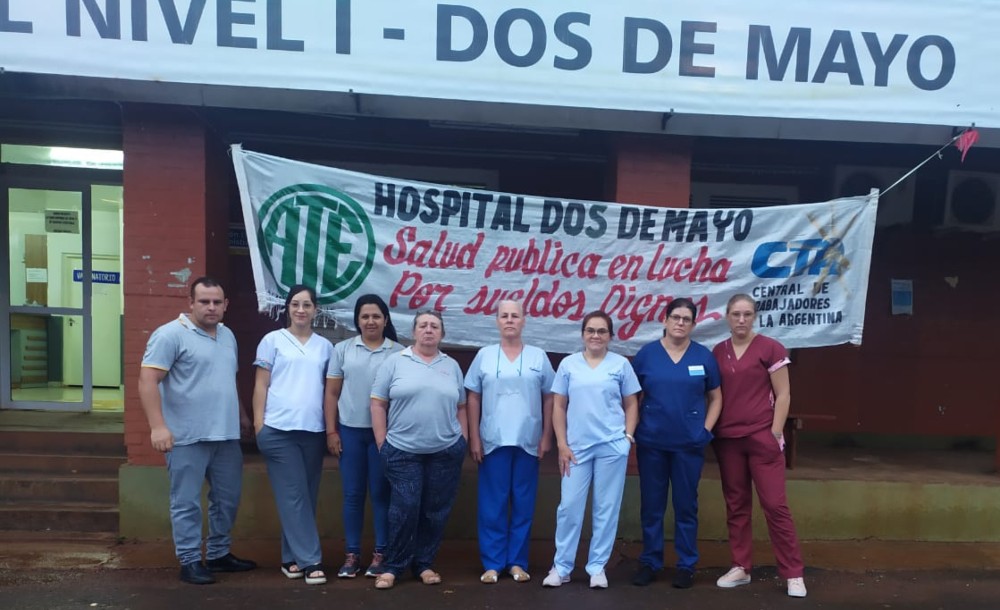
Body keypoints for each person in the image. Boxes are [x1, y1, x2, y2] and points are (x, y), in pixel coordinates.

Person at [138, 276, 257, 585]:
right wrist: (157, 427)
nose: (211, 307)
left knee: (227, 500)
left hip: (226, 436)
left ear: (226, 305)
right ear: (190, 303)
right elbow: (147, 381)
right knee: (186, 502)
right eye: (204, 301)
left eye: (217, 302)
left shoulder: (228, 335)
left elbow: (228, 379)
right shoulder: (170, 335)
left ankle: (218, 554)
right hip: (185, 436)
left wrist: (243, 416)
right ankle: (190, 560)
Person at [711, 294, 807, 598]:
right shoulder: (718, 351)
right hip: (729, 440)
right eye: (736, 314)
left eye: (747, 314)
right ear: (727, 317)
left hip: (762, 438)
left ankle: (793, 573)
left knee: (775, 506)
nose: (741, 319)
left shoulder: (770, 348)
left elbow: (784, 394)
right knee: (736, 505)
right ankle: (741, 566)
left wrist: (775, 432)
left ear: (755, 317)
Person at [370, 310, 468, 590]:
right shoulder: (395, 362)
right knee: (405, 507)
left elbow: (461, 406)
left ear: (442, 334)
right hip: (402, 450)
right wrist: (382, 442)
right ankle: (393, 566)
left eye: (434, 326)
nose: (428, 330)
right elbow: (377, 403)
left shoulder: (451, 366)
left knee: (435, 510)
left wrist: (462, 439)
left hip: (445, 450)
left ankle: (424, 564)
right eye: (423, 325)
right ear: (413, 332)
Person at [542, 311, 641, 590]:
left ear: (610, 336)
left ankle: (597, 567)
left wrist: (627, 437)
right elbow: (559, 405)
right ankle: (562, 567)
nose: (596, 336)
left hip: (612, 446)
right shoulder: (568, 364)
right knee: (569, 507)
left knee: (606, 509)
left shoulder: (620, 365)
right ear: (583, 334)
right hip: (576, 449)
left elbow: (631, 403)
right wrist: (562, 444)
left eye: (601, 331)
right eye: (590, 331)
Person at [630, 298, 722, 589]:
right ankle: (650, 562)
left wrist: (705, 431)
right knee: (652, 506)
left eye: (686, 319)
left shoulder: (703, 356)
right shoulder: (647, 355)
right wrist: (632, 430)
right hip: (652, 443)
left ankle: (686, 565)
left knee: (686, 506)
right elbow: (631, 397)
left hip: (688, 445)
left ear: (693, 324)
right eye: (676, 317)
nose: (680, 323)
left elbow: (716, 397)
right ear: (665, 320)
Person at [465, 300, 555, 585]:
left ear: (524, 321)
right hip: (493, 440)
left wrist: (546, 435)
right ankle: (492, 564)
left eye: (515, 315)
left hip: (528, 440)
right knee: (492, 504)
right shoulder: (484, 355)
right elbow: (473, 397)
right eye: (504, 315)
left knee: (523, 504)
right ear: (497, 321)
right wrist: (474, 436)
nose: (509, 320)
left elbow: (550, 397)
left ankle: (517, 562)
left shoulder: (538, 356)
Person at [252, 285, 333, 585]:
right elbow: (261, 384)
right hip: (278, 430)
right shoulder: (272, 340)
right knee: (294, 495)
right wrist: (259, 425)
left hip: (312, 430)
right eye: (295, 304)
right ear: (287, 308)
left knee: (304, 497)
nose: (301, 310)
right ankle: (311, 561)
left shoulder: (325, 347)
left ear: (315, 310)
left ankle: (290, 559)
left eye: (307, 305)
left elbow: (330, 390)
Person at [324, 294, 403, 579]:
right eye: (365, 316)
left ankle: (381, 553)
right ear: (357, 320)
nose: (371, 321)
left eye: (376, 316)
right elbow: (332, 393)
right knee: (353, 495)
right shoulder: (343, 349)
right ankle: (352, 554)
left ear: (385, 320)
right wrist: (331, 430)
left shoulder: (398, 352)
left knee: (381, 494)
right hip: (350, 432)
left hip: (384, 435)